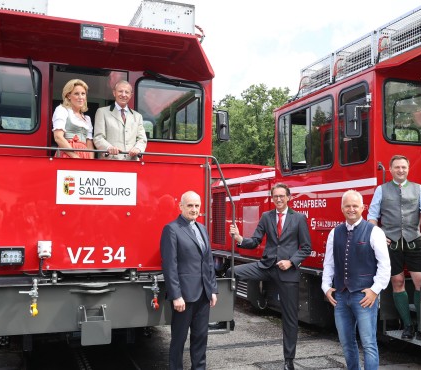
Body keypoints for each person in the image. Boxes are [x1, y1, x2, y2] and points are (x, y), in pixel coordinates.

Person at [229, 183, 311, 370]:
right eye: (275, 196)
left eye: (282, 196)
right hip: (266, 266)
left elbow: (306, 248)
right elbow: (256, 240)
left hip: (288, 271)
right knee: (232, 272)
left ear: (288, 197)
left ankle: (289, 361)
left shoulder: (298, 218)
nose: (279, 199)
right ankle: (227, 316)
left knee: (290, 318)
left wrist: (291, 261)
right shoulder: (266, 217)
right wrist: (240, 239)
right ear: (272, 198)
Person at [367, 155, 421, 341]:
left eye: (404, 167)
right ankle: (407, 325)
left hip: (414, 240)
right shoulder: (381, 190)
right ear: (390, 169)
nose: (401, 170)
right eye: (397, 167)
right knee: (397, 282)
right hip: (391, 242)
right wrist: (378, 235)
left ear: (408, 168)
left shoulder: (419, 189)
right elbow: (372, 216)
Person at [322, 190, 390, 370]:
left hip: (364, 296)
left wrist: (375, 290)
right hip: (341, 297)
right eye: (347, 206)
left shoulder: (374, 231)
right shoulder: (334, 233)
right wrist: (326, 287)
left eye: (355, 206)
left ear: (362, 208)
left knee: (369, 344)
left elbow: (385, 266)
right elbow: (328, 263)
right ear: (342, 208)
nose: (351, 209)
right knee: (346, 343)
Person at [161, 191, 218, 370]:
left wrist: (213, 289)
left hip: (203, 295)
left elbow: (208, 261)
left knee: (201, 338)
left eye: (197, 206)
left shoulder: (201, 228)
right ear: (181, 206)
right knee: (178, 340)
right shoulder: (171, 229)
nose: (194, 209)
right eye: (190, 206)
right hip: (184, 297)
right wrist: (176, 295)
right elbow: (170, 265)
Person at [93, 80, 148, 160]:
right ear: (114, 93)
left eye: (127, 92)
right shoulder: (102, 112)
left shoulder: (138, 116)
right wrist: (109, 147)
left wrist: (138, 148)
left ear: (131, 95)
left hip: (132, 162)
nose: (123, 95)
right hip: (110, 162)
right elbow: (98, 137)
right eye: (120, 91)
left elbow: (142, 139)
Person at [52, 79, 94, 159]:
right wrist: (75, 157)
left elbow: (89, 143)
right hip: (68, 154)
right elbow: (58, 137)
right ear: (68, 95)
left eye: (83, 94)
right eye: (76, 94)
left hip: (84, 155)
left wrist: (90, 162)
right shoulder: (62, 110)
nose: (80, 97)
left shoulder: (87, 119)